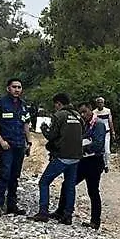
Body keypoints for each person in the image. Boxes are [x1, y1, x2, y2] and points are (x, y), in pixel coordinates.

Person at [29, 94, 82, 224]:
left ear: (58, 103)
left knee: (44, 182)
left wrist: (44, 128)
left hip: (62, 156)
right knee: (70, 186)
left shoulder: (59, 115)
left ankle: (43, 212)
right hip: (76, 157)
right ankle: (68, 215)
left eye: (55, 105)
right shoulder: (78, 116)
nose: (55, 108)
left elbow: (51, 136)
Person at [52, 101, 106, 229]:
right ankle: (61, 211)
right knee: (67, 184)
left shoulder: (98, 124)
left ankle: (95, 221)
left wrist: (81, 148)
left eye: (84, 112)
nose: (82, 115)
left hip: (94, 161)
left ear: (90, 110)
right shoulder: (83, 124)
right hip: (82, 160)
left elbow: (98, 144)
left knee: (93, 191)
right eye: (80, 112)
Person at [0, 78, 32, 216]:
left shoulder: (23, 105)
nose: (17, 89)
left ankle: (12, 206)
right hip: (7, 145)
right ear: (8, 88)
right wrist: (1, 141)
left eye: (19, 87)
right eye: (14, 87)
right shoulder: (0, 103)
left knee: (15, 175)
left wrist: (29, 142)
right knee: (5, 174)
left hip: (20, 145)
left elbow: (26, 125)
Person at [95, 97, 113, 170]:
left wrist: (113, 132)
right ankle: (101, 164)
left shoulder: (107, 111)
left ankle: (106, 165)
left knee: (107, 149)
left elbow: (110, 121)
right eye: (98, 102)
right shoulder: (94, 112)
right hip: (99, 133)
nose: (100, 104)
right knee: (99, 149)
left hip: (106, 132)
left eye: (101, 102)